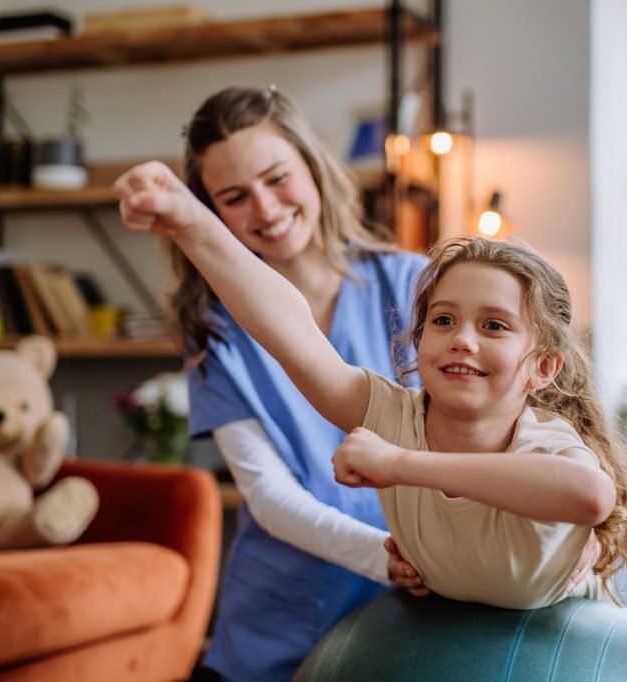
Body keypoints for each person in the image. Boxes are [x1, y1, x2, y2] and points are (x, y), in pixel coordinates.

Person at [113, 123, 627, 641]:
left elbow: (589, 491)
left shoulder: (535, 436)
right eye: (444, 320)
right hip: (478, 593)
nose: (463, 337)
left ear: (543, 366)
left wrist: (404, 465)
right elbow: (290, 330)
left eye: (494, 327)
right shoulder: (386, 411)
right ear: (419, 338)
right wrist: (193, 225)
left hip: (590, 596)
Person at [164, 85, 429, 681]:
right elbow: (267, 496)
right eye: (234, 197)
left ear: (312, 168)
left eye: (276, 178)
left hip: (420, 608)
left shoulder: (417, 286)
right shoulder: (213, 331)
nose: (264, 209)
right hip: (282, 623)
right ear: (211, 215)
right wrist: (384, 557)